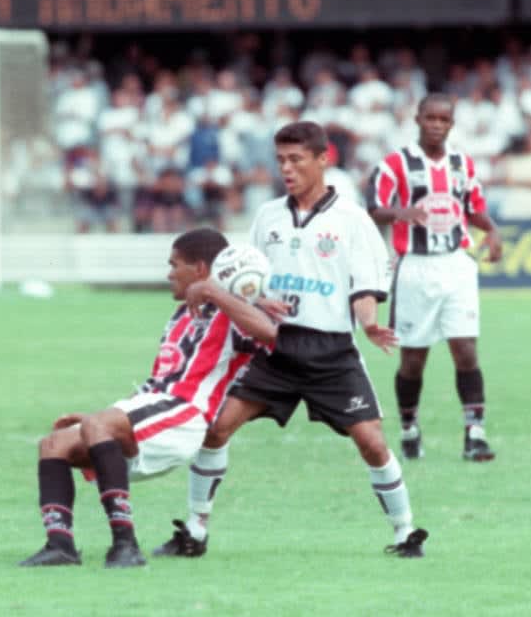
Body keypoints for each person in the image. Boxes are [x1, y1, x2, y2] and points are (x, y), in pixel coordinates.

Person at [155, 121, 429, 560]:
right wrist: (259, 297)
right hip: (274, 348)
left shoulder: (352, 219)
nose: (286, 168)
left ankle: (405, 531)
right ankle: (194, 530)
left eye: (296, 159)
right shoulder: (268, 216)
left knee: (372, 442)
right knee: (217, 428)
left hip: (332, 353)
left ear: (323, 160)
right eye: (281, 159)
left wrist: (371, 323)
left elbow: (364, 286)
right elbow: (249, 275)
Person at [18, 228, 277, 568]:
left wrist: (218, 292)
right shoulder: (180, 316)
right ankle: (60, 546)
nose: (169, 274)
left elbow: (270, 333)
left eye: (175, 265)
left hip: (185, 415)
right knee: (52, 444)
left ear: (200, 269)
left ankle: (125, 546)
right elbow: (158, 381)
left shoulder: (231, 312)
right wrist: (103, 416)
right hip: (153, 406)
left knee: (99, 425)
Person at [365, 93, 503, 462]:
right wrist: (398, 211)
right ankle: (410, 430)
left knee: (465, 350)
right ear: (418, 118)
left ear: (452, 123)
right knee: (413, 358)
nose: (437, 125)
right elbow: (373, 209)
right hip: (414, 267)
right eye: (431, 118)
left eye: (444, 119)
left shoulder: (462, 164)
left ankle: (475, 436)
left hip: (456, 263)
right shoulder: (395, 164)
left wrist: (493, 230)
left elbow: (474, 209)